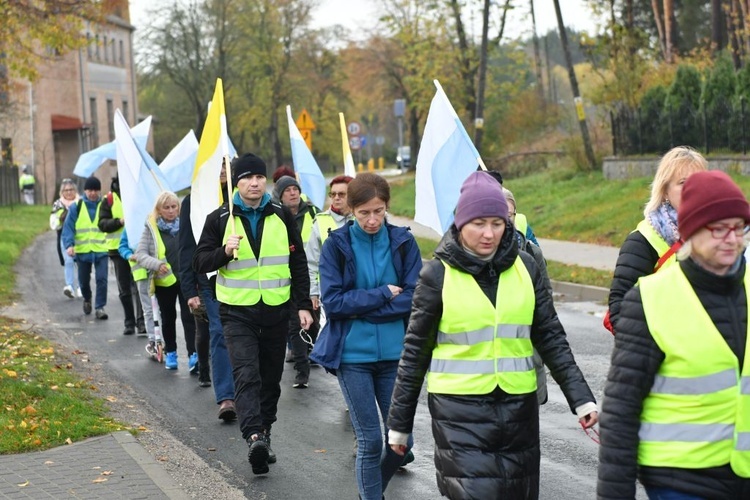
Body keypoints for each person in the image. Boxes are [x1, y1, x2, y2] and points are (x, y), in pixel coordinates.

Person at [387, 171, 598, 500]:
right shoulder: (437, 275)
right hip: (459, 415)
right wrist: (399, 425)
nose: (489, 234)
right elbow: (414, 355)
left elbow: (550, 336)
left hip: (518, 411)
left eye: (497, 224)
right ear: (460, 223)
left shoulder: (526, 267)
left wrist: (581, 398)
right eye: (479, 223)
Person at [597, 170, 750, 499]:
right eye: (719, 229)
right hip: (680, 479)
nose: (732, 239)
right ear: (691, 232)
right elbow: (621, 409)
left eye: (739, 228)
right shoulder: (651, 299)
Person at [193, 153, 313, 475]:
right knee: (247, 374)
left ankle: (266, 431)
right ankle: (254, 436)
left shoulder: (281, 215)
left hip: (276, 309)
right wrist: (224, 252)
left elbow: (297, 262)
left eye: (260, 177)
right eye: (247, 177)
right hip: (237, 312)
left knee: (271, 380)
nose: (255, 183)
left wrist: (303, 304)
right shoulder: (220, 218)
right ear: (237, 182)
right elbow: (200, 262)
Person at [309, 173, 423, 500]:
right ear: (351, 210)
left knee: (403, 440)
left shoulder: (403, 242)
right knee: (371, 441)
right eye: (364, 213)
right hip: (352, 357)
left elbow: (416, 296)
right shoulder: (336, 245)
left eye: (379, 211)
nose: (372, 220)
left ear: (387, 207)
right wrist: (384, 293)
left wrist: (362, 306)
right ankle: (372, 496)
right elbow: (333, 302)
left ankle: (371, 489)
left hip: (396, 357)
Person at [607, 146, 707, 332]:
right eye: (683, 182)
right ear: (665, 191)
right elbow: (619, 309)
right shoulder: (643, 240)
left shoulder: (719, 236)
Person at [179, 184, 237, 421]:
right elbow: (186, 247)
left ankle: (250, 390)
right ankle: (227, 397)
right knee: (220, 333)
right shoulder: (193, 201)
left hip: (249, 279)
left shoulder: (242, 196)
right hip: (210, 278)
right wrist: (189, 289)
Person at [135, 191, 197, 371]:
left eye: (174, 207)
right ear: (159, 210)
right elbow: (140, 254)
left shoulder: (187, 223)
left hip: (186, 278)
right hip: (164, 281)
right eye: (166, 208)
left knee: (189, 317)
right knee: (168, 318)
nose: (171, 211)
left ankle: (194, 354)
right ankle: (171, 353)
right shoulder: (151, 227)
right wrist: (156, 264)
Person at [503, 186, 551, 405]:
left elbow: (546, 301)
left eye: (509, 215)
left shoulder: (531, 253)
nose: (505, 221)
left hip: (528, 353)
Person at [273, 174, 320, 388]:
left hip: (310, 276)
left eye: (295, 189)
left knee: (313, 322)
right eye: (287, 190)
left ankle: (310, 349)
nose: (293, 193)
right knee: (295, 324)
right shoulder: (276, 215)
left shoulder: (313, 213)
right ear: (280, 195)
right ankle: (302, 370)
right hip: (285, 276)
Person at [98, 176, 146, 336]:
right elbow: (102, 224)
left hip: (139, 249)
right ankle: (129, 323)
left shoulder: (139, 196)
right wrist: (119, 222)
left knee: (140, 286)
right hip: (117, 252)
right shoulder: (109, 199)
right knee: (124, 289)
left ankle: (142, 322)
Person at [61, 176, 109, 319]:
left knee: (102, 279)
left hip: (101, 249)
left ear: (99, 191)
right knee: (83, 281)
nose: (93, 193)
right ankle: (87, 298)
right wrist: (69, 245)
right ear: (85, 191)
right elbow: (68, 228)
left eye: (95, 190)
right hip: (82, 251)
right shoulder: (77, 206)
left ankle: (100, 307)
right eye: (90, 190)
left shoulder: (105, 205)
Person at [50, 179, 80, 299]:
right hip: (64, 237)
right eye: (66, 190)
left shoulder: (81, 202)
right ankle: (70, 287)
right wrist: (61, 218)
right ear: (62, 192)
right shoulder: (58, 204)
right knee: (68, 260)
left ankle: (81, 287)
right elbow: (53, 223)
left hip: (80, 236)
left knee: (80, 262)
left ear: (75, 190)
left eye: (71, 190)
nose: (68, 192)